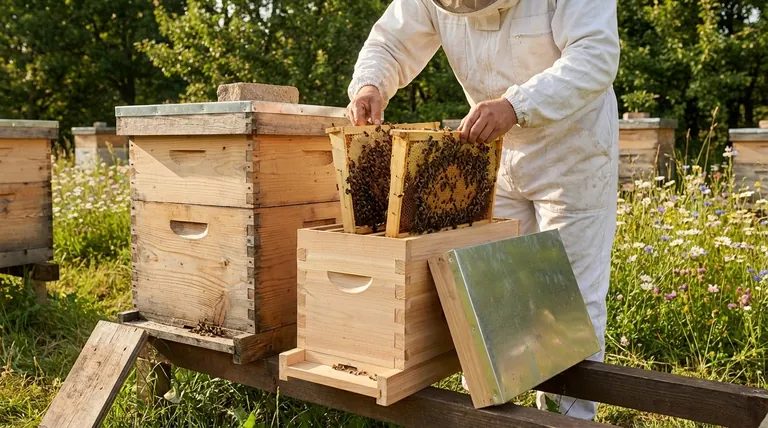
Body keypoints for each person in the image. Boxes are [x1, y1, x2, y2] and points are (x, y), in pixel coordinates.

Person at [345, 0, 620, 420]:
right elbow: (392, 40)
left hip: (574, 151)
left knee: (570, 298)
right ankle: (491, 411)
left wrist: (516, 105)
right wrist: (371, 85)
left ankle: (568, 419)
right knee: (490, 288)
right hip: (495, 152)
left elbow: (595, 55)